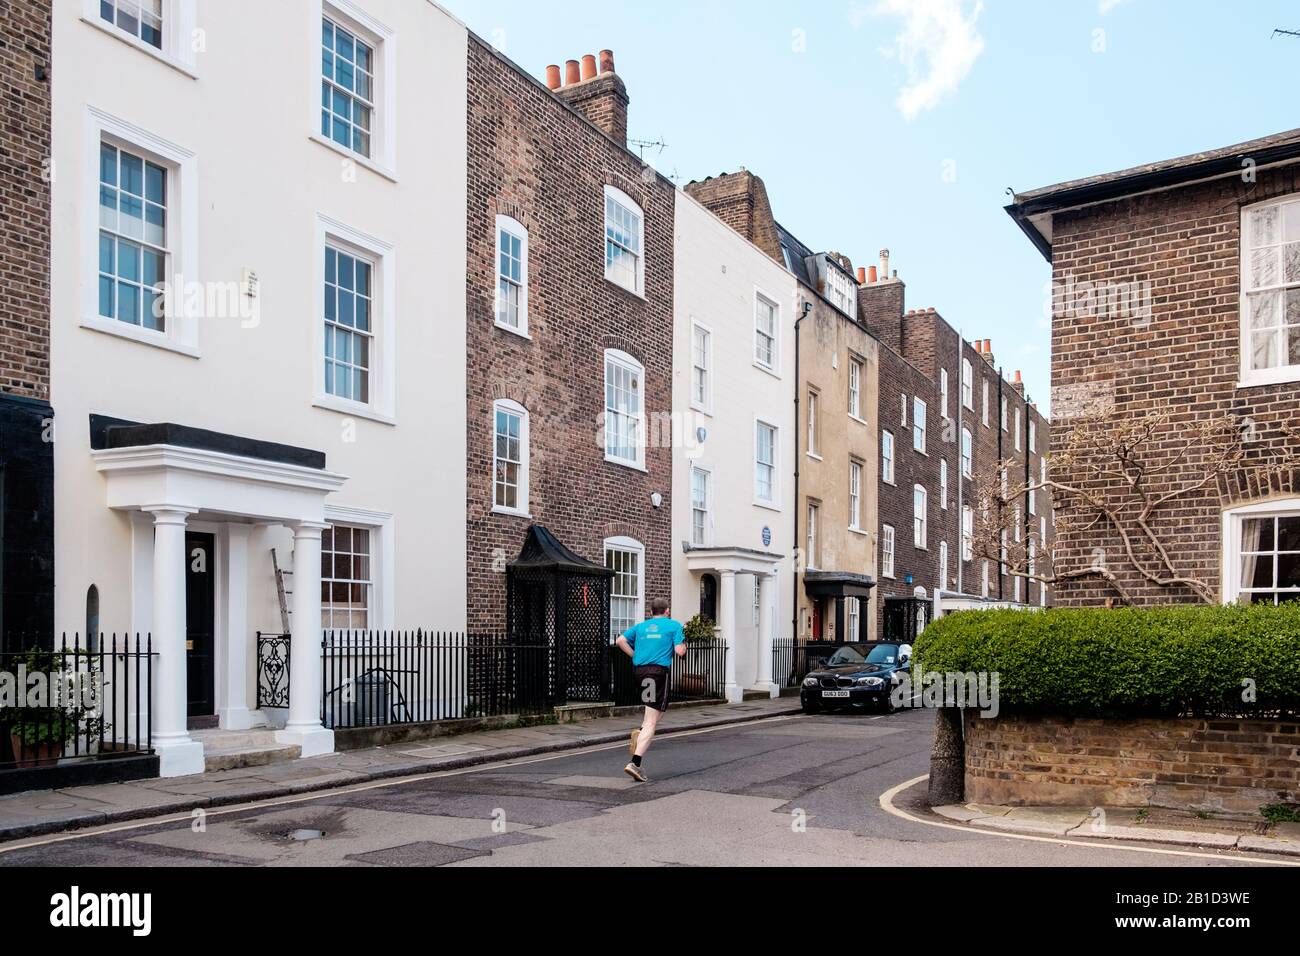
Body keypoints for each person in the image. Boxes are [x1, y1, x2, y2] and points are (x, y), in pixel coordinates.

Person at [615, 597, 686, 782]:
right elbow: (679, 651)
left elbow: (620, 640)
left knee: (656, 711)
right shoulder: (674, 625)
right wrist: (683, 646)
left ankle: (641, 732)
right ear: (667, 611)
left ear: (651, 611)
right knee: (651, 721)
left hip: (640, 672)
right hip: (657, 673)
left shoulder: (641, 627)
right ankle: (635, 763)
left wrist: (634, 655)